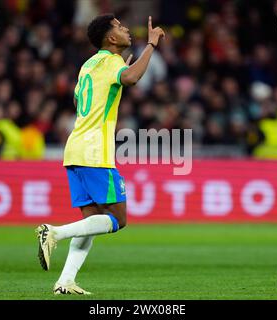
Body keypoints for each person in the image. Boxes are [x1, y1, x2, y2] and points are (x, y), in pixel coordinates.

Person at [35, 14, 165, 295]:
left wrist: (115, 82)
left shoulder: (88, 65)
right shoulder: (111, 62)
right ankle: (53, 232)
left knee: (90, 223)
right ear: (110, 38)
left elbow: (77, 99)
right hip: (95, 151)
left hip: (74, 150)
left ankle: (65, 281)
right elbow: (131, 78)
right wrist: (151, 45)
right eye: (119, 26)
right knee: (119, 218)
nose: (126, 28)